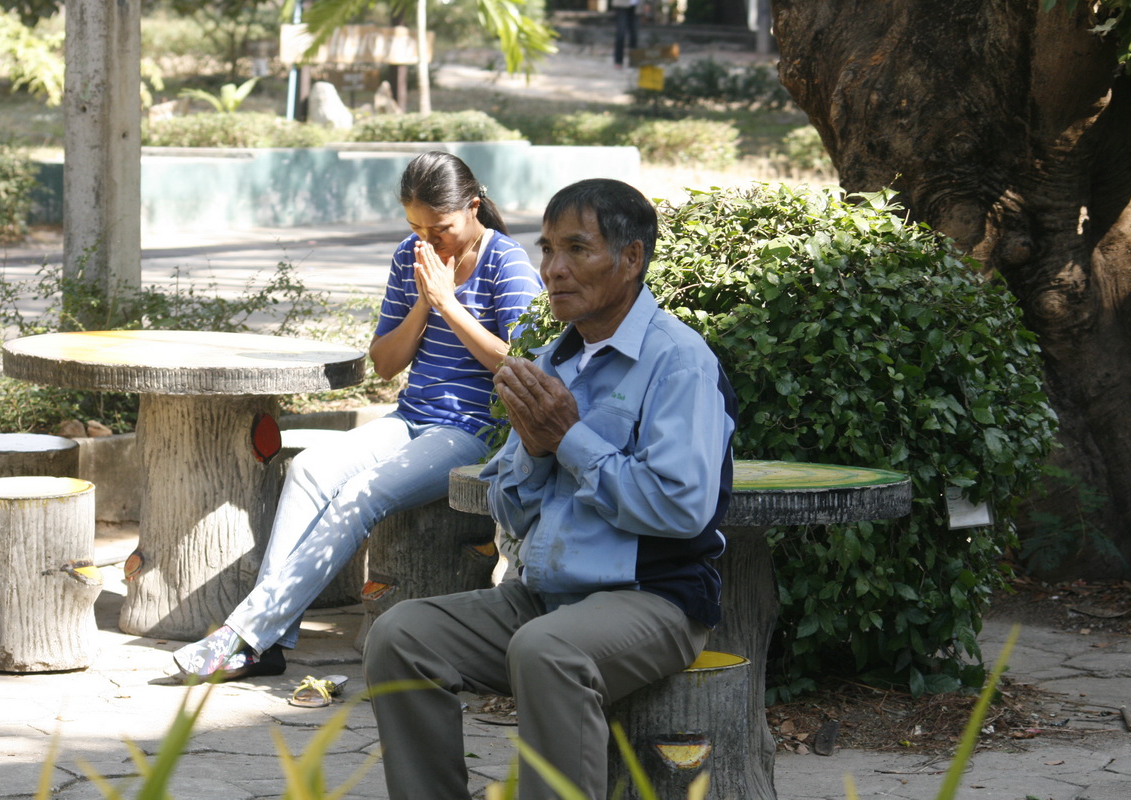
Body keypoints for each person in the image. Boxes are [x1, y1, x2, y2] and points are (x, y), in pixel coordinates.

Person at [363, 178, 736, 800]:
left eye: (577, 250)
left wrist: (569, 439)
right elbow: (509, 512)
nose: (554, 269)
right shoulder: (551, 362)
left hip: (653, 599)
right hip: (545, 597)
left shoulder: (679, 361)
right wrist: (536, 453)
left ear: (632, 258)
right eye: (547, 249)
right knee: (400, 636)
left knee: (546, 651)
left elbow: (681, 508)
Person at [172, 151, 543, 682]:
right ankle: (268, 641)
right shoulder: (411, 257)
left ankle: (245, 637)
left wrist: (449, 303)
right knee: (310, 469)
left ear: (473, 208)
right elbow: (386, 364)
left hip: (472, 430)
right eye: (415, 228)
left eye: (440, 229)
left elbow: (520, 366)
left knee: (360, 495)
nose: (428, 241)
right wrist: (423, 303)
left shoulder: (506, 262)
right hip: (410, 417)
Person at [613, 0, 639, 68]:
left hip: (636, 5)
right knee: (621, 33)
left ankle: (634, 60)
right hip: (622, 4)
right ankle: (618, 61)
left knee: (634, 34)